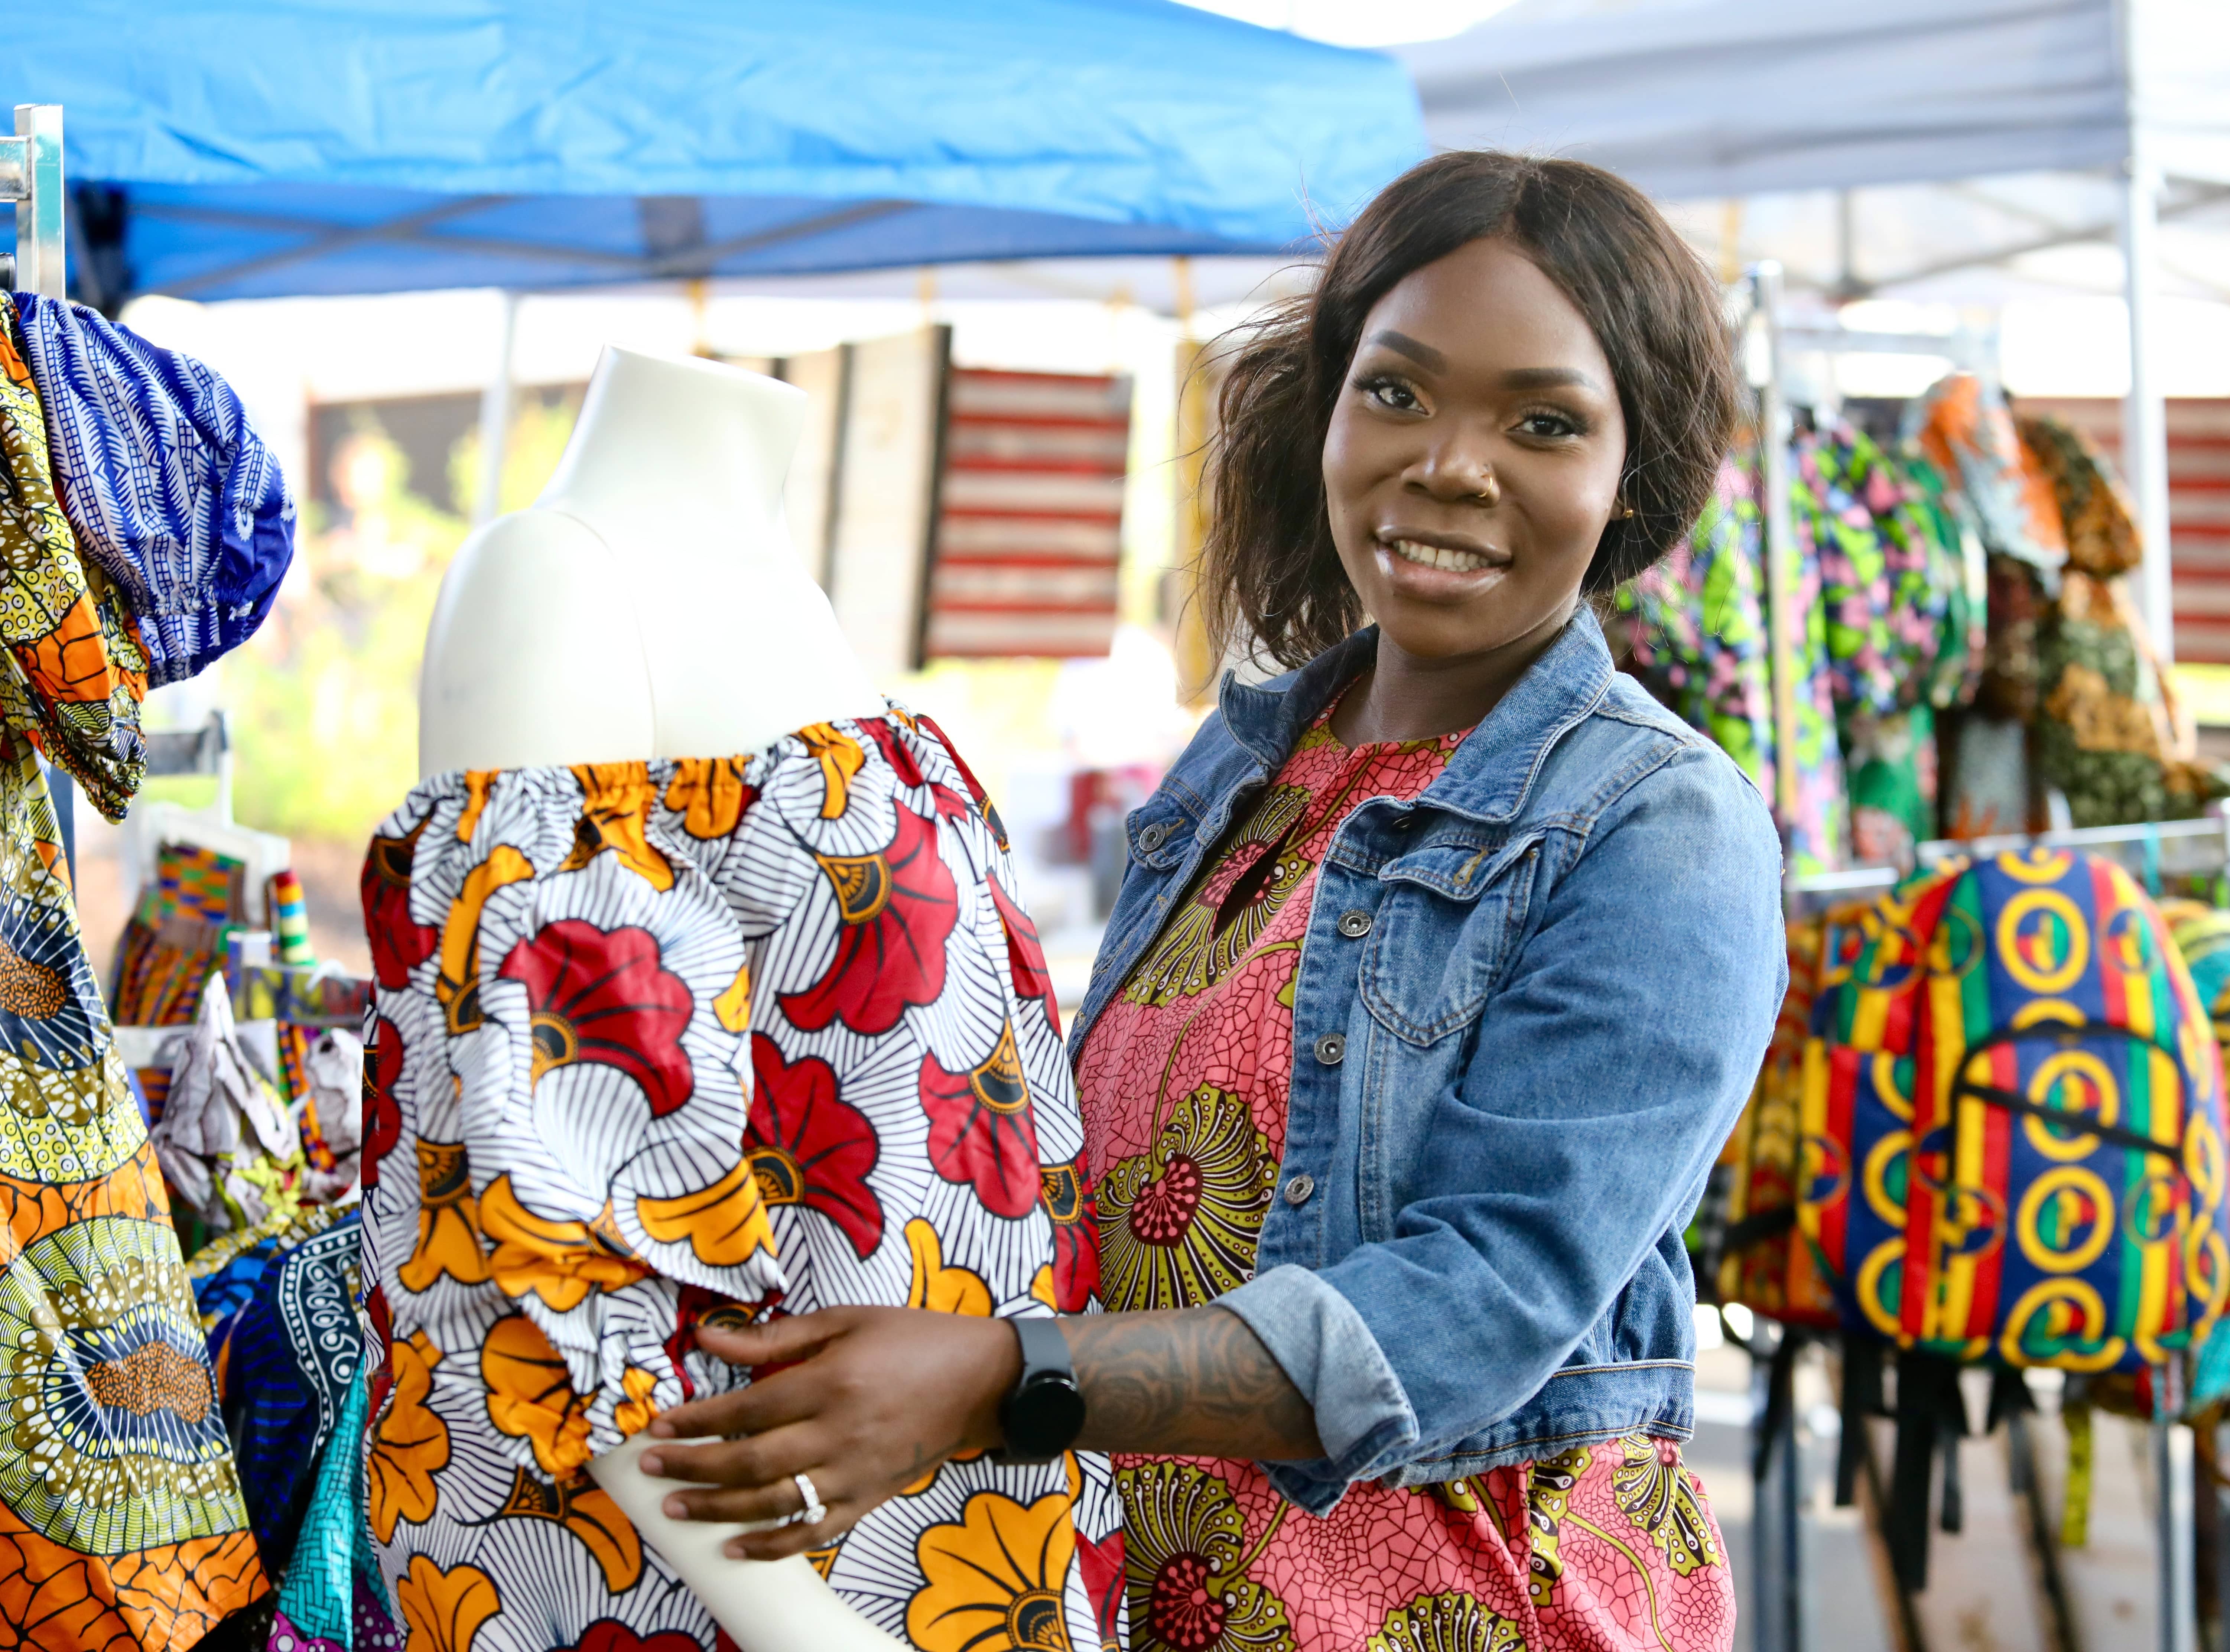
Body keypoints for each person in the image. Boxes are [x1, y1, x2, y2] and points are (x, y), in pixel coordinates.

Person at [639, 150, 1788, 1652]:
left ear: (1630, 477)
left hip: (1458, 1610)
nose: (1450, 462)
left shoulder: (1658, 825)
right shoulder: (1251, 763)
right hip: (1160, 1596)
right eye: (1399, 390)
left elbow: (1488, 1292)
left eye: (1544, 421)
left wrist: (1003, 1374)